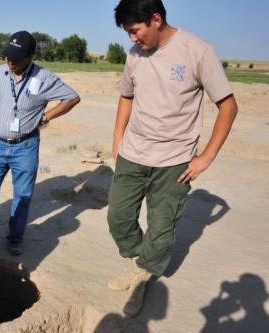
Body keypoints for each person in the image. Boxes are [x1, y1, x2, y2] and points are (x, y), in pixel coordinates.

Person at [107, 0, 238, 317]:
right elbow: (126, 95)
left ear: (156, 19)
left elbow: (228, 106)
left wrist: (205, 158)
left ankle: (142, 277)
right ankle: (141, 260)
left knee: (161, 228)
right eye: (128, 33)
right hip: (133, 155)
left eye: (135, 31)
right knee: (118, 218)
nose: (132, 40)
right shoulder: (134, 55)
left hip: (175, 162)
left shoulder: (197, 51)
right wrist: (117, 137)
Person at [0, 31, 80, 256]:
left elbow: (72, 97)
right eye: (7, 56)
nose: (10, 62)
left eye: (16, 58)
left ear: (30, 56)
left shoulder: (44, 77)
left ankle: (15, 238)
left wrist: (46, 117)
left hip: (26, 146)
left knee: (22, 195)